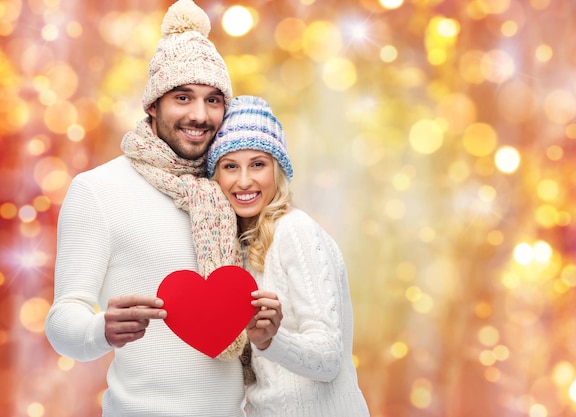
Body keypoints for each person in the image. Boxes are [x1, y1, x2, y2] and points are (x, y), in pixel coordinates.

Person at [44, 1, 280, 416]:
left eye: (213, 100)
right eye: (183, 97)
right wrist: (101, 329)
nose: (199, 115)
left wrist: (269, 329)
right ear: (153, 105)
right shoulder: (98, 190)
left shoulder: (228, 192)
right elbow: (63, 323)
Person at [207, 95, 370, 416]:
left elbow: (328, 359)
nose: (243, 181)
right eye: (230, 166)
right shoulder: (235, 247)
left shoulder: (294, 231)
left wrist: (270, 341)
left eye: (257, 164)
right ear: (216, 176)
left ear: (277, 170)